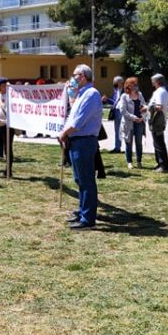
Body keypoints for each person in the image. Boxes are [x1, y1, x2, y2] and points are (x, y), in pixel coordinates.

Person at [59, 65, 103, 230]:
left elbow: (78, 122)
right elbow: (72, 117)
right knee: (80, 180)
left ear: (83, 76)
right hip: (76, 141)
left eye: (74, 75)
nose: (72, 78)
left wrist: (64, 133)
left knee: (86, 180)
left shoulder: (91, 94)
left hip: (84, 141)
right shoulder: (81, 94)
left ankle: (88, 218)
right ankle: (83, 210)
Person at [117, 77, 147, 170]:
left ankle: (139, 161)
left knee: (139, 143)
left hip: (140, 122)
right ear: (128, 86)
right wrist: (134, 118)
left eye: (136, 84)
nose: (135, 86)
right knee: (128, 143)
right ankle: (129, 162)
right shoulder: (124, 96)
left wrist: (143, 116)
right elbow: (123, 111)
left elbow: (144, 106)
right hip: (129, 123)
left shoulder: (140, 94)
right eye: (133, 84)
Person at [147, 74, 168, 172]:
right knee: (157, 143)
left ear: (157, 82)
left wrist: (148, 107)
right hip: (156, 121)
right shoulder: (160, 91)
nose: (152, 82)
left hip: (158, 121)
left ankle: (163, 165)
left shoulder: (160, 92)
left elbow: (159, 107)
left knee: (159, 143)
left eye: (153, 80)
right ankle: (160, 163)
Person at [104, 76, 125, 153]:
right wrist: (107, 100)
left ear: (120, 83)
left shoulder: (126, 90)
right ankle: (117, 148)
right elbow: (114, 102)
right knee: (117, 131)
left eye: (115, 82)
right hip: (116, 111)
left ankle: (127, 148)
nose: (113, 83)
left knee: (125, 130)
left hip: (123, 112)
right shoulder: (116, 90)